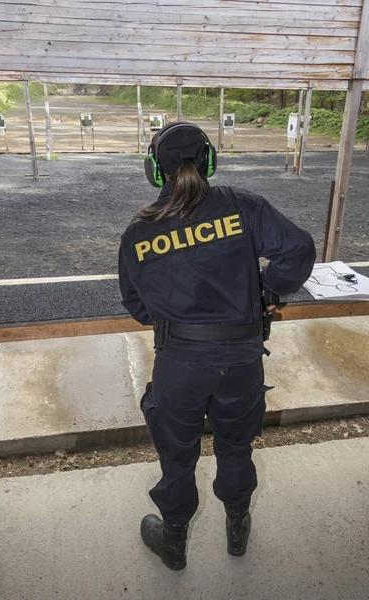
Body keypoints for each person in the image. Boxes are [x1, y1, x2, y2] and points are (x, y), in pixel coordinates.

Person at [118, 122, 316, 571]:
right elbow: (298, 249)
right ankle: (237, 530)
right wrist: (268, 293)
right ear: (208, 161)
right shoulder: (241, 206)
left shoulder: (137, 232)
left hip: (180, 365)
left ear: (154, 170)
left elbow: (138, 307)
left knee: (177, 457)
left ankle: (173, 542)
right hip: (242, 361)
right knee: (234, 447)